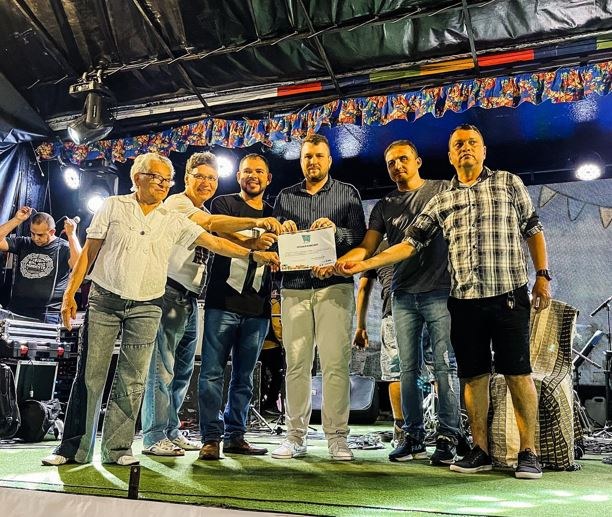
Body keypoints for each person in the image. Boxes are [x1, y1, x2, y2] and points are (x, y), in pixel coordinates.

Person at [338, 124, 550, 479]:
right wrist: (363, 264)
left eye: (472, 143)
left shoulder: (508, 182)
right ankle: (479, 449)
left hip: (508, 295)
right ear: (450, 156)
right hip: (464, 300)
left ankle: (529, 452)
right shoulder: (442, 199)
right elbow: (409, 244)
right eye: (458, 144)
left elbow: (533, 228)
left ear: (483, 150)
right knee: (473, 377)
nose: (466, 148)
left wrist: (542, 275)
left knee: (517, 373)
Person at [41, 152, 279, 466]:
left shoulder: (174, 216)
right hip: (119, 297)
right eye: (156, 177)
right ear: (136, 177)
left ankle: (121, 448)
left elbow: (214, 241)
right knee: (94, 375)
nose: (162, 184)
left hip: (157, 302)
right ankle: (79, 448)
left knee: (140, 378)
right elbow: (89, 251)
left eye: (166, 179)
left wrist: (251, 254)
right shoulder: (127, 205)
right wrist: (70, 293)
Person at [141, 152, 281, 457]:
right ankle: (155, 436)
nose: (206, 182)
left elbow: (217, 242)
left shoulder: (202, 209)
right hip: (170, 291)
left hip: (192, 297)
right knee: (164, 370)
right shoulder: (180, 204)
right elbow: (214, 228)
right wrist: (256, 232)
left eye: (212, 178)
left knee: (182, 372)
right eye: (200, 176)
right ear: (186, 178)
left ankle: (172, 431)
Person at [338, 140, 462, 465]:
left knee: (445, 367)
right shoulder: (384, 205)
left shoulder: (442, 190)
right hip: (402, 294)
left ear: (418, 161)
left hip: (440, 292)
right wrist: (345, 261)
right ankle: (412, 437)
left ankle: (449, 437)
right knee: (406, 371)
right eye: (391, 162)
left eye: (403, 159)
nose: (397, 166)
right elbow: (367, 246)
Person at [270, 133, 366, 461]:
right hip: (294, 287)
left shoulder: (347, 193)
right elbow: (273, 240)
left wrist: (335, 232)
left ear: (329, 160)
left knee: (335, 364)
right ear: (301, 161)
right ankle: (294, 437)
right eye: (307, 156)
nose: (313, 161)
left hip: (334, 287)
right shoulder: (285, 196)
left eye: (319, 156)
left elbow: (359, 237)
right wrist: (281, 232)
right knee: (296, 364)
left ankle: (337, 438)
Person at [198, 153, 279, 460]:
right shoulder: (223, 204)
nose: (252, 176)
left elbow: (286, 250)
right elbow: (218, 230)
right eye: (247, 171)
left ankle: (236, 435)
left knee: (245, 377)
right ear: (238, 176)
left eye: (259, 171)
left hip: (258, 307)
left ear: (268, 178)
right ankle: (210, 438)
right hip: (222, 302)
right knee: (211, 373)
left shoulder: (274, 213)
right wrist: (253, 246)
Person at [353, 240, 404, 446]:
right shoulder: (423, 234)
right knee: (440, 369)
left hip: (394, 310)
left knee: (395, 371)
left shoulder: (378, 247)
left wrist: (360, 326)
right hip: (430, 302)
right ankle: (447, 431)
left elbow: (363, 289)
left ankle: (401, 431)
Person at [0, 209, 81, 323]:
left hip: (47, 314)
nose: (35, 238)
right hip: (16, 310)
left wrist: (72, 235)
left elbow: (79, 265)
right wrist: (16, 220)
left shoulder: (64, 248)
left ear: (52, 232)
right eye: (32, 233)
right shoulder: (24, 243)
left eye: (40, 235)